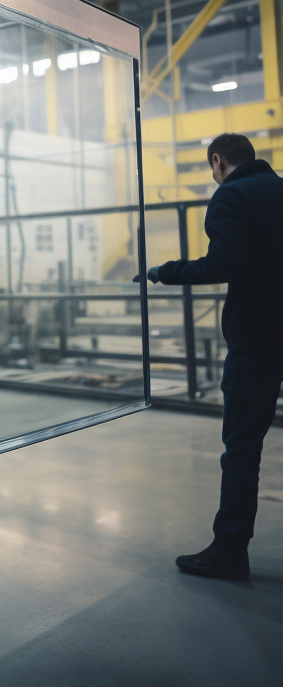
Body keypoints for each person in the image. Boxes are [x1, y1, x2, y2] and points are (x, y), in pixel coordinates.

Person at [138, 132, 283, 579]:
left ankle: (229, 550)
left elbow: (224, 264)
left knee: (242, 449)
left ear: (217, 161)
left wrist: (165, 271)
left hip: (258, 342)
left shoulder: (231, 196)